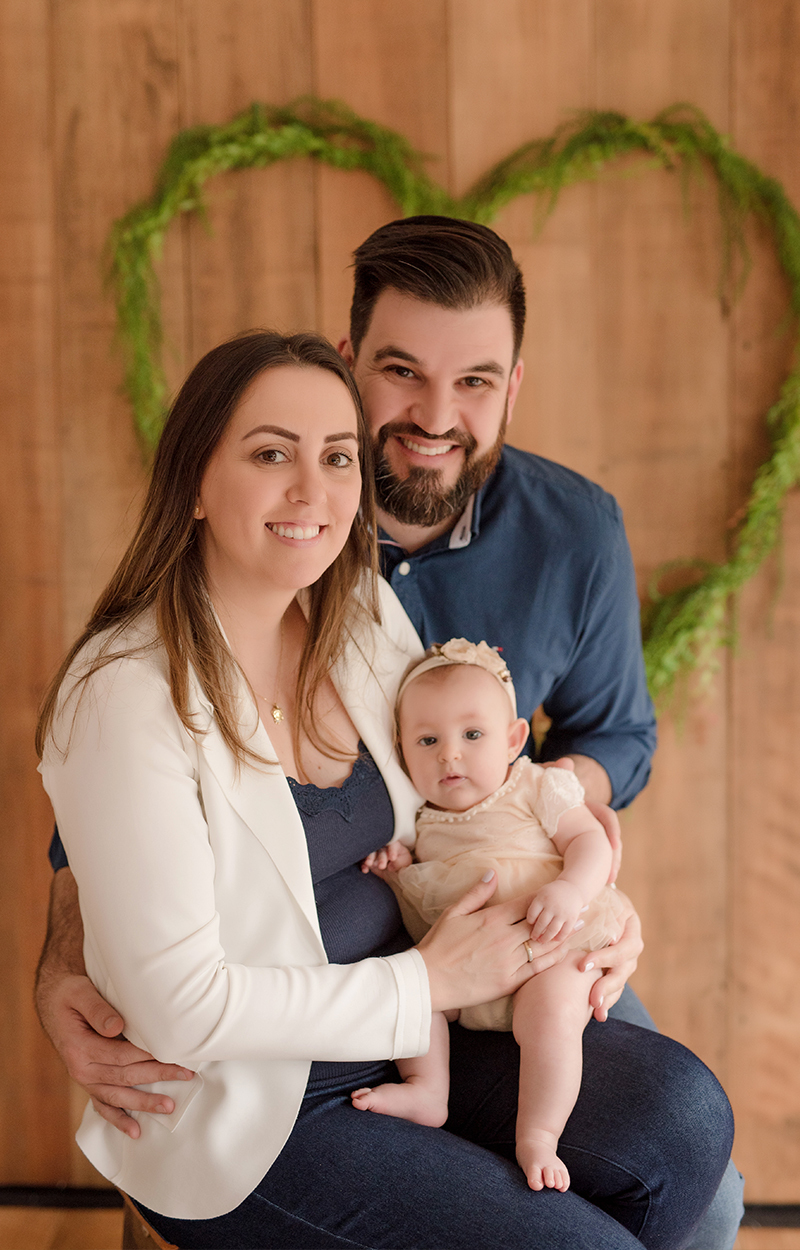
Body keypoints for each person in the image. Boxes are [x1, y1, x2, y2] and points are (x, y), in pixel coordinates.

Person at [35, 219, 742, 1244]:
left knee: (686, 1127)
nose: (314, 490)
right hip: (268, 1089)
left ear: (511, 386)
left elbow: (587, 750)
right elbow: (136, 904)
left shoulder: (367, 599)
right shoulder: (130, 687)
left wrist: (586, 893)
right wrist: (63, 961)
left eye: (329, 459)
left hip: (445, 991)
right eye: (272, 453)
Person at [353, 638, 629, 1196]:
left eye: (471, 736)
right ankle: (428, 1088)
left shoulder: (536, 786)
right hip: (467, 973)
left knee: (552, 1017)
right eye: (427, 741)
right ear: (402, 751)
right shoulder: (423, 820)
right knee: (417, 989)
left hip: (551, 944)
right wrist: (397, 867)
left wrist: (571, 890)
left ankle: (540, 1133)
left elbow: (591, 843)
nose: (449, 755)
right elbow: (427, 901)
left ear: (514, 740)